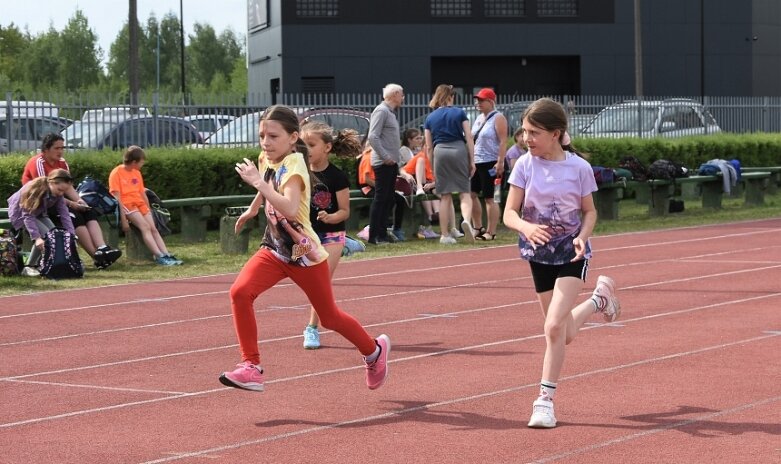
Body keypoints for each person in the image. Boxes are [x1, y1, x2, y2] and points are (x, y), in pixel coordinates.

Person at [220, 105, 390, 392]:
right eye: (262, 135)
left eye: (273, 136)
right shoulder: (267, 157)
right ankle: (251, 366)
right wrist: (252, 210)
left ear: (292, 137)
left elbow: (287, 206)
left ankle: (374, 351)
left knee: (329, 317)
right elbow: (267, 188)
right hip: (275, 249)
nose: (265, 141)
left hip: (304, 254)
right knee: (239, 292)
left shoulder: (296, 166)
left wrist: (257, 182)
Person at [502, 98, 621, 429]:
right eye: (525, 131)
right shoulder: (524, 165)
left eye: (535, 133)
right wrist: (526, 227)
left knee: (553, 327)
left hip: (571, 253)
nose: (527, 139)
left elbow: (590, 211)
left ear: (556, 134)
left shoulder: (578, 168)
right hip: (538, 255)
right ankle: (599, 300)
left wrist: (583, 235)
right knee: (563, 332)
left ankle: (544, 401)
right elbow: (509, 214)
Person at [299, 121, 362, 350]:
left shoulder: (337, 177)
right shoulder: (300, 173)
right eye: (302, 145)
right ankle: (347, 246)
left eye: (311, 144)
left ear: (326, 147)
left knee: (321, 284)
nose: (306, 150)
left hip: (332, 233)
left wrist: (331, 217)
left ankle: (311, 329)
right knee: (298, 274)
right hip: (307, 235)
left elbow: (345, 211)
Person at [21, 133, 122, 269]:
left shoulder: (62, 162)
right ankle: (98, 258)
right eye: (57, 148)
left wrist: (79, 201)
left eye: (62, 148)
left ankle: (102, 248)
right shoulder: (38, 162)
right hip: (40, 203)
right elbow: (48, 191)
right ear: (46, 149)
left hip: (56, 200)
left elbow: (66, 187)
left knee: (88, 211)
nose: (61, 151)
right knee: (75, 217)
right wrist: (72, 204)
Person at [108, 146, 183, 266]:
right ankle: (159, 256)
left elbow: (142, 193)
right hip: (128, 205)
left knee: (153, 228)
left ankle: (166, 254)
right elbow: (117, 199)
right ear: (134, 162)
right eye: (141, 162)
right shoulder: (116, 173)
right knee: (145, 227)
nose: (142, 164)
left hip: (139, 203)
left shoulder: (137, 173)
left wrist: (148, 210)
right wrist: (124, 220)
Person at [423, 83, 476, 245]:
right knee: (464, 192)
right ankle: (466, 220)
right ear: (451, 96)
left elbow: (428, 146)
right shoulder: (460, 112)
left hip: (440, 152)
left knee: (445, 196)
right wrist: (472, 161)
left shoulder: (430, 118)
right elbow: (468, 136)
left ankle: (444, 235)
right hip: (458, 149)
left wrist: (432, 166)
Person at [7, 169, 76, 277]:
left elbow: (64, 214)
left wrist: (71, 235)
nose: (61, 193)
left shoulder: (58, 194)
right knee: (46, 237)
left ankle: (42, 264)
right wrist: (37, 238)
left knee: (55, 235)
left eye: (64, 191)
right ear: (51, 183)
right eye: (59, 190)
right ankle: (29, 266)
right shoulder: (35, 190)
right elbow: (27, 215)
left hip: (39, 213)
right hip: (21, 214)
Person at [366, 83, 405, 245]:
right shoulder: (381, 111)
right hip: (383, 163)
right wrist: (386, 156)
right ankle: (374, 235)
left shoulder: (389, 112)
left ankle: (382, 233)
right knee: (381, 198)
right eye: (401, 94)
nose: (403, 98)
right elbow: (373, 136)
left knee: (388, 198)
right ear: (395, 94)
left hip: (390, 163)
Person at [470, 88, 508, 242]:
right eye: (477, 100)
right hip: (477, 162)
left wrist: (500, 161)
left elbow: (503, 141)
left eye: (481, 100)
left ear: (491, 102)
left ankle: (491, 231)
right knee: (471, 194)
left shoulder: (498, 118)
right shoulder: (478, 118)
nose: (478, 103)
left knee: (490, 198)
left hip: (491, 162)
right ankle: (478, 227)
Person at [356, 145, 414, 242]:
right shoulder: (368, 157)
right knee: (382, 201)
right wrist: (383, 187)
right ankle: (375, 231)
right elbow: (367, 179)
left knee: (398, 199)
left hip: (379, 186)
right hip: (368, 187)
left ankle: (395, 229)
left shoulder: (381, 157)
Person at [403, 141, 440, 239]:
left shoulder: (436, 159)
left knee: (439, 192)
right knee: (425, 191)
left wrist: (432, 184)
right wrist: (407, 175)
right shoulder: (421, 157)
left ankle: (437, 214)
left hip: (431, 184)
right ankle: (431, 216)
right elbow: (402, 170)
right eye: (427, 146)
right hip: (418, 184)